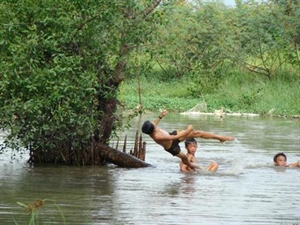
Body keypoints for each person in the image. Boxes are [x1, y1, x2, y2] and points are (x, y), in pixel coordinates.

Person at [141, 110, 235, 170]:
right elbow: (175, 138)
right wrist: (188, 130)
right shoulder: (157, 137)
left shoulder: (152, 128)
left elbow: (155, 123)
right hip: (172, 147)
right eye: (152, 124)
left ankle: (221, 138)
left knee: (197, 133)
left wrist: (161, 116)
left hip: (172, 134)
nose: (153, 123)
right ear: (152, 130)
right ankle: (199, 169)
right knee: (185, 159)